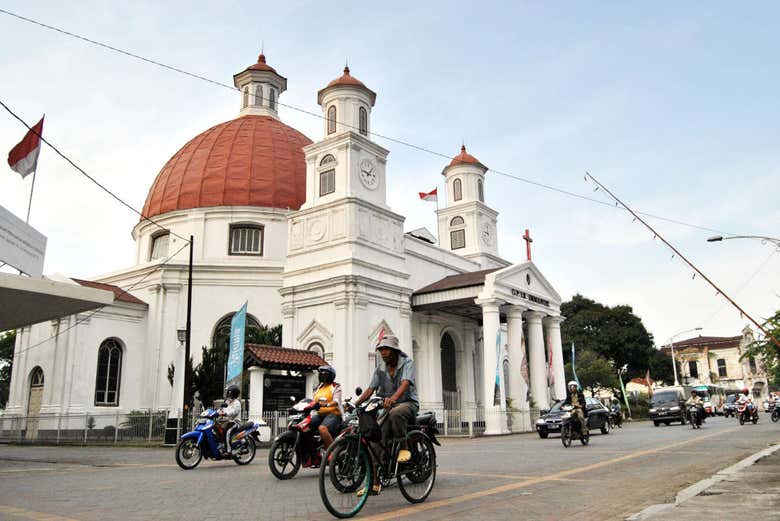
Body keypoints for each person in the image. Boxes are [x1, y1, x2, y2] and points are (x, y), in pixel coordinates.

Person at [354, 334, 419, 496]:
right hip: (387, 408)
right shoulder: (380, 368)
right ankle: (374, 484)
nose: (383, 353)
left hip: (407, 403)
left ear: (395, 351)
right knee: (374, 441)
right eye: (381, 350)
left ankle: (403, 446)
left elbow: (405, 384)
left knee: (396, 412)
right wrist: (354, 404)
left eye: (386, 350)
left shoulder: (407, 363)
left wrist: (393, 399)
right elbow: (370, 389)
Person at [309, 365, 343, 451]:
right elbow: (313, 400)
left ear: (330, 376)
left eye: (324, 374)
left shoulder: (335, 387)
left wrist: (326, 404)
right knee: (306, 426)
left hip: (333, 414)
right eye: (321, 374)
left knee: (322, 428)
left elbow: (336, 401)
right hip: (320, 415)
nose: (322, 376)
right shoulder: (319, 388)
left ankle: (332, 452)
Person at [216, 384, 242, 454]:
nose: (228, 394)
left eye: (229, 392)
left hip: (235, 422)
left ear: (233, 393)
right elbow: (221, 409)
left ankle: (228, 450)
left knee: (227, 431)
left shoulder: (237, 403)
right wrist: (215, 413)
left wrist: (225, 413)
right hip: (226, 421)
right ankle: (220, 445)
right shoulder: (227, 402)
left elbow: (233, 412)